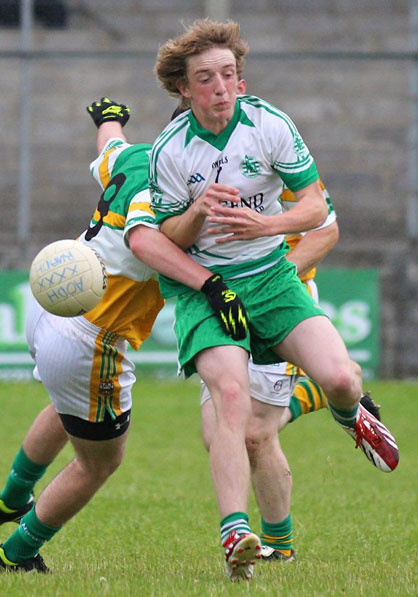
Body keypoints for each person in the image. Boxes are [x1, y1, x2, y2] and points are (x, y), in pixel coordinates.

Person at [149, 18, 399, 581]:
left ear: (241, 79)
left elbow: (316, 209)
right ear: (183, 89)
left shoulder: (269, 123)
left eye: (229, 74)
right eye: (206, 78)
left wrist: (267, 226)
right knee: (231, 403)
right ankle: (238, 531)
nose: (221, 86)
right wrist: (197, 211)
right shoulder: (169, 150)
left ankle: (348, 412)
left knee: (341, 377)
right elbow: (166, 240)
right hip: (207, 292)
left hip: (272, 277)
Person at [0, 97, 249, 573]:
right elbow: (144, 240)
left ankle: (11, 496)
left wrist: (109, 118)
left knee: (65, 407)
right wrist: (210, 283)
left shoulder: (134, 156)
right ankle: (16, 555)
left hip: (51, 307)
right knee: (99, 463)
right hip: (93, 337)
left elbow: (111, 146)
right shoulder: (171, 188)